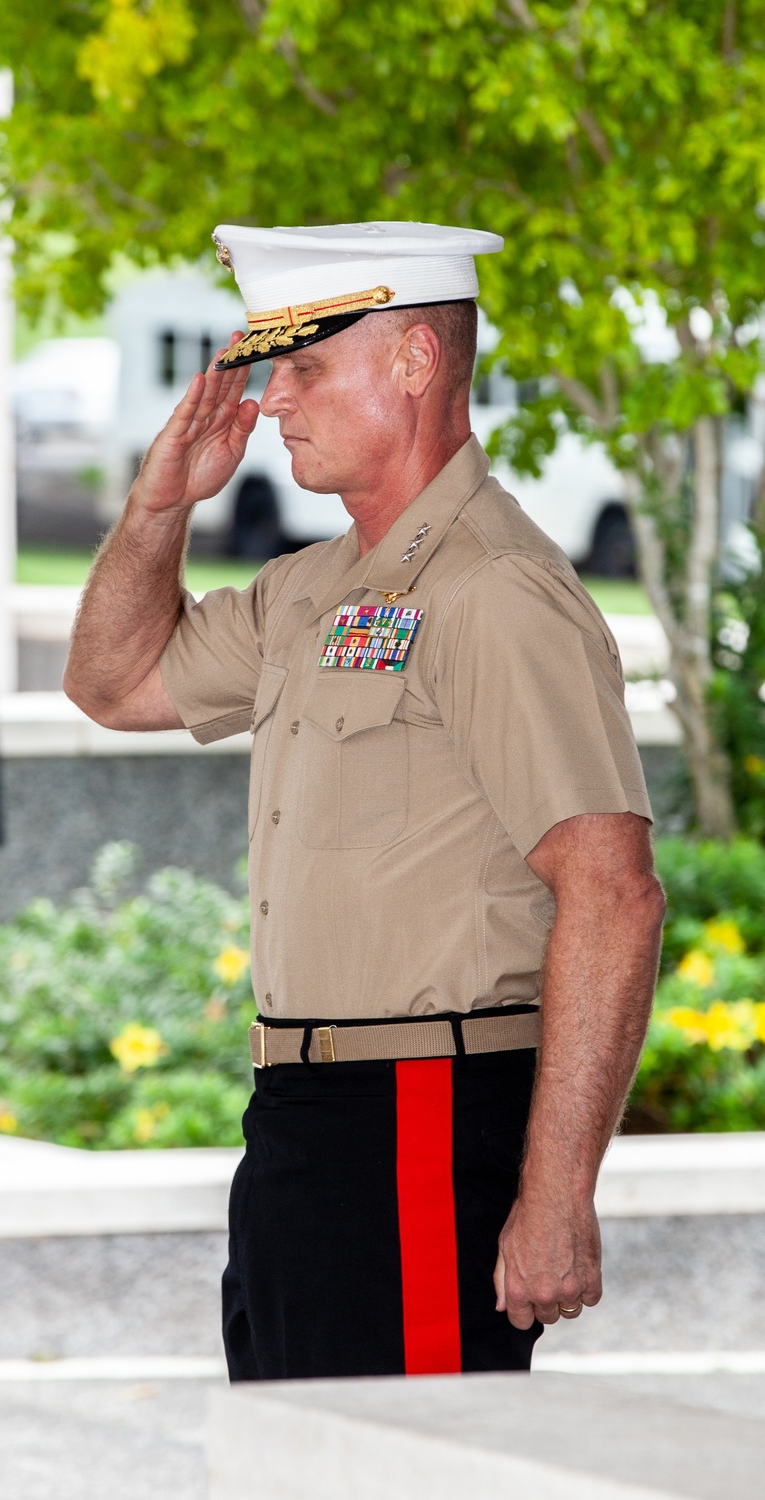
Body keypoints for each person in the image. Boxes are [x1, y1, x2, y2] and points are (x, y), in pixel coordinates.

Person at [64, 221, 665, 1381]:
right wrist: (156, 510)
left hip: (427, 1121)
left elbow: (613, 892)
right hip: (305, 1122)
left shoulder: (493, 590)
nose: (273, 402)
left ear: (413, 361)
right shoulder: (315, 587)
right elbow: (114, 685)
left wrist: (554, 1198)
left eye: (303, 367)